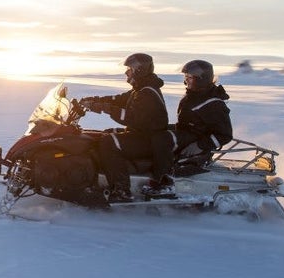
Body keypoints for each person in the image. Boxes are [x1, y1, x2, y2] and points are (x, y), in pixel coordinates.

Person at [80, 53, 170, 203]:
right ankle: (98, 178)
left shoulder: (147, 92)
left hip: (149, 140)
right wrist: (94, 100)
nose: (126, 72)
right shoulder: (141, 89)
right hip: (142, 134)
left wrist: (106, 108)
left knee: (108, 143)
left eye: (130, 69)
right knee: (104, 135)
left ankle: (121, 190)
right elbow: (119, 99)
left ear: (139, 70)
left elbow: (132, 117)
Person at [142, 59, 233, 196]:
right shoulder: (194, 95)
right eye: (186, 77)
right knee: (156, 129)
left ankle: (165, 182)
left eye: (190, 77)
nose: (186, 81)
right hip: (188, 134)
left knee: (163, 139)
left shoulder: (213, 103)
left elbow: (225, 134)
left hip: (197, 141)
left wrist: (200, 145)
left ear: (201, 79)